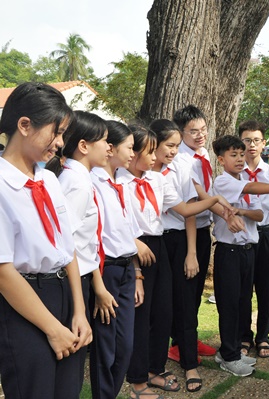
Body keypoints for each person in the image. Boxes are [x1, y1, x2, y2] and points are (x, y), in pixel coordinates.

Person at [120, 125, 233, 397]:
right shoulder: (119, 181)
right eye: (150, 151)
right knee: (141, 316)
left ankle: (154, 369)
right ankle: (137, 378)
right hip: (135, 247)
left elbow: (184, 209)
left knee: (164, 312)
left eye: (174, 145)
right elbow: (117, 221)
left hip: (157, 246)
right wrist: (135, 264)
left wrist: (214, 200)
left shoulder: (157, 180)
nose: (166, 153)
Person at [0, 82, 92, 398]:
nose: (60, 143)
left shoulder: (48, 179)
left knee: (67, 391)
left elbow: (68, 249)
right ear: (24, 125)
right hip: (23, 302)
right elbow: (2, 270)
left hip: (64, 294)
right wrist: (53, 329)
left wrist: (79, 311)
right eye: (56, 132)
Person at [149, 119, 241, 393]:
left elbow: (191, 207)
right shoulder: (147, 171)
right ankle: (155, 363)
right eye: (170, 145)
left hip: (181, 239)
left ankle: (189, 362)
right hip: (154, 242)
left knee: (187, 303)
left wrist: (191, 252)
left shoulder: (187, 163)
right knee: (160, 308)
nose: (174, 151)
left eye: (177, 145)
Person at [210, 135, 269, 376]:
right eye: (234, 155)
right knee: (229, 305)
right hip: (229, 251)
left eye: (242, 155)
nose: (241, 159)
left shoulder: (241, 180)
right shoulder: (223, 182)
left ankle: (229, 350)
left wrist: (241, 210)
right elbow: (252, 190)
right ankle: (229, 355)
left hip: (248, 251)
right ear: (221, 160)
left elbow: (260, 215)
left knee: (242, 302)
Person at [46, 111, 116, 395]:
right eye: (105, 141)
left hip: (82, 276)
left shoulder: (80, 178)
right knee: (70, 366)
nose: (109, 148)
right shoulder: (76, 183)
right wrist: (92, 290)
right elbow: (68, 244)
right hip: (74, 279)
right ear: (84, 146)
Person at [89, 120, 141, 399]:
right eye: (130, 147)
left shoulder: (120, 182)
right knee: (106, 349)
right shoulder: (92, 183)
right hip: (106, 270)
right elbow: (91, 239)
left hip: (126, 270)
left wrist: (137, 274)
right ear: (111, 149)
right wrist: (98, 285)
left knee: (125, 346)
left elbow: (126, 233)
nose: (134, 153)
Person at [239, 121, 269, 359]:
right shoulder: (234, 174)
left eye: (256, 140)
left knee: (266, 289)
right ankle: (244, 336)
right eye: (247, 140)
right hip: (242, 235)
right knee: (243, 289)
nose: (251, 145)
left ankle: (263, 337)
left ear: (264, 144)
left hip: (266, 234)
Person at [171, 105, 218, 356]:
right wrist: (226, 210)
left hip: (202, 228)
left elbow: (206, 194)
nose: (200, 135)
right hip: (185, 230)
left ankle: (187, 338)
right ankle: (181, 344)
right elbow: (193, 200)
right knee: (186, 292)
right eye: (193, 132)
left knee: (196, 290)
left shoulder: (203, 154)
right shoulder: (180, 159)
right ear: (181, 133)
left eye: (203, 130)